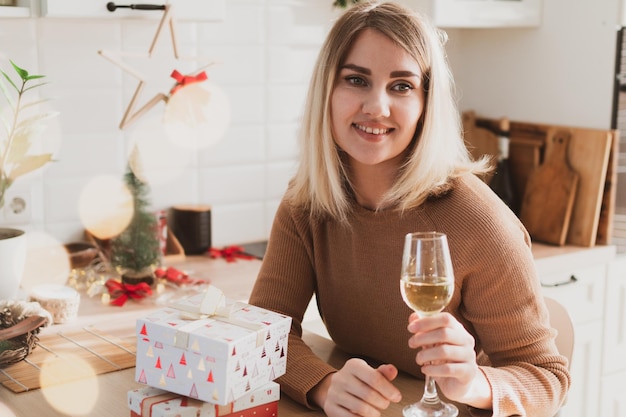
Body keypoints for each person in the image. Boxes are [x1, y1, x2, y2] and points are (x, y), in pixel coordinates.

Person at [248, 1, 570, 416]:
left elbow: (548, 378)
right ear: (326, 91)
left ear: (425, 103)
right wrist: (324, 384)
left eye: (401, 86)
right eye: (355, 80)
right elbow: (263, 334)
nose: (377, 107)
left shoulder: (479, 223)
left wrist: (475, 383)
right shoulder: (308, 203)